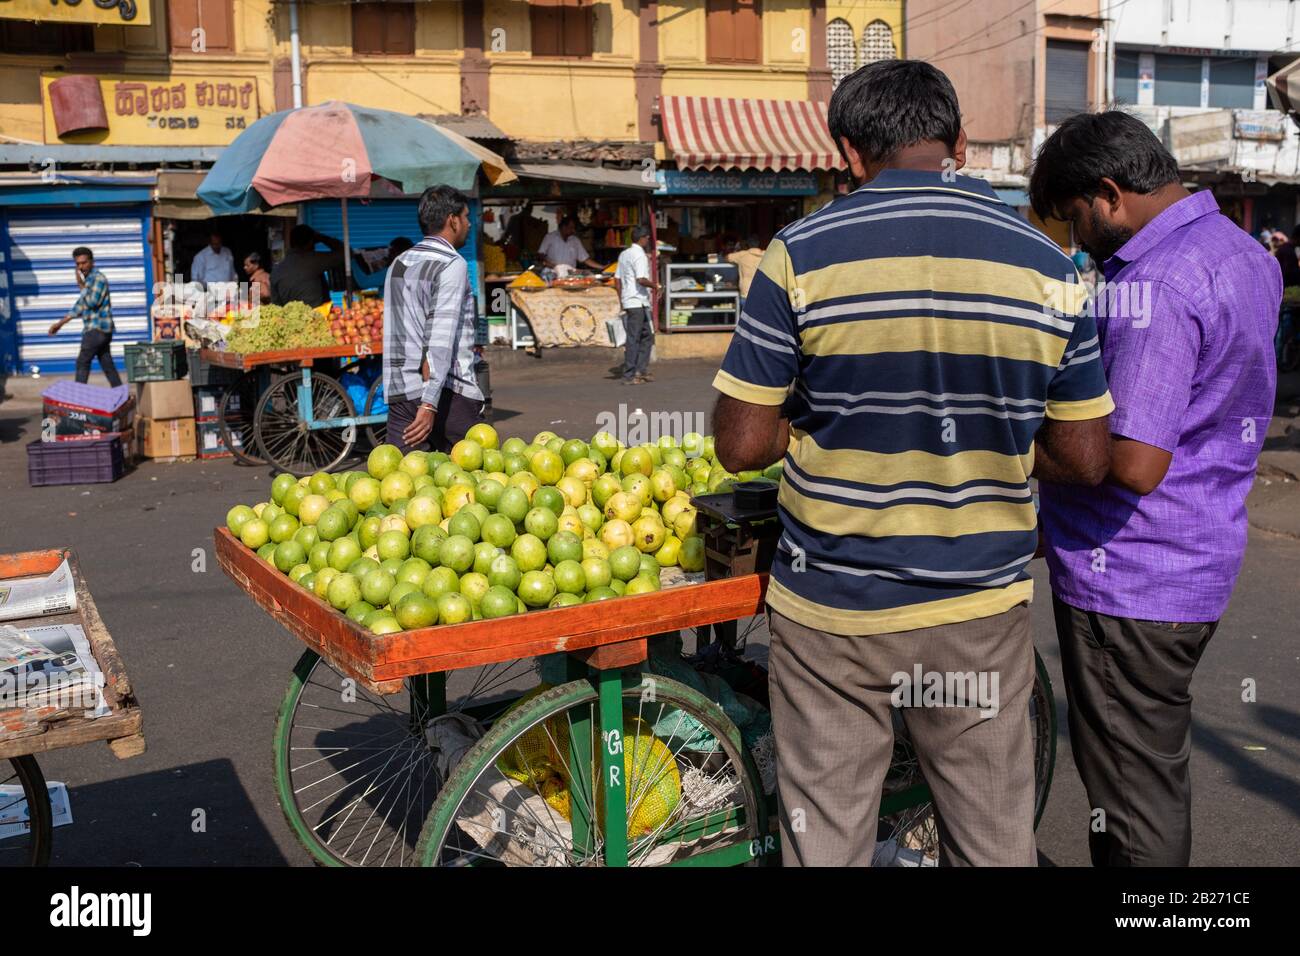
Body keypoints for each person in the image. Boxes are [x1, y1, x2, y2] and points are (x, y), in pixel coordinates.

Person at [710, 59, 1113, 867]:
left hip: (832, 610)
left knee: (826, 838)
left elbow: (742, 445)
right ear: (960, 142)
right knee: (994, 839)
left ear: (851, 154)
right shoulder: (1050, 268)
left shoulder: (800, 253)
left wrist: (820, 424)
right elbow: (1085, 454)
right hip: (976, 609)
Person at [1030, 111, 1280, 867]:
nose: (1076, 243)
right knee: (1149, 779)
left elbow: (1132, 460)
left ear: (1108, 193)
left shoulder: (1157, 281)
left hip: (1131, 578)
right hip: (1195, 556)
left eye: (1074, 221)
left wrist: (1006, 448)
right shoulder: (1239, 251)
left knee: (1132, 801)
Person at [382, 185, 484, 453]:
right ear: (452, 220)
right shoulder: (452, 263)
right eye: (465, 216)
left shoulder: (399, 263)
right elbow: (438, 340)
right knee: (474, 484)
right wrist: (429, 404)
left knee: (404, 486)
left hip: (401, 392)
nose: (469, 224)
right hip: (448, 396)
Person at [47, 247, 122, 387]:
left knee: (83, 361)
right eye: (78, 264)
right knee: (107, 363)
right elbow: (80, 306)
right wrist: (60, 324)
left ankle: (78, 398)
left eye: (84, 263)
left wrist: (81, 285)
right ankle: (121, 395)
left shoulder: (98, 279)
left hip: (97, 329)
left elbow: (92, 302)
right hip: (99, 330)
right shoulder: (89, 281)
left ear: (92, 262)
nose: (81, 267)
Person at [614, 225, 655, 385]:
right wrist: (656, 286)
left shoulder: (624, 254)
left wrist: (622, 300)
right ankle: (630, 374)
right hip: (637, 301)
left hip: (632, 301)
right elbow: (641, 279)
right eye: (647, 237)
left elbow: (617, 280)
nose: (648, 240)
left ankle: (640, 370)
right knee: (635, 338)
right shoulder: (640, 255)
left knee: (646, 336)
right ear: (642, 238)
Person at [271, 224, 345, 306]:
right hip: (314, 315)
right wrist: (322, 238)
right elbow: (346, 253)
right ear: (310, 242)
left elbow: (275, 304)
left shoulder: (275, 272)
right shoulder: (313, 260)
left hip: (292, 316)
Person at [538, 215, 602, 272]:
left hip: (570, 275)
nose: (573, 230)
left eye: (574, 228)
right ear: (564, 227)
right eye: (571, 228)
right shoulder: (550, 237)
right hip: (552, 273)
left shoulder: (575, 240)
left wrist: (602, 267)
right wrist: (551, 265)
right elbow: (541, 254)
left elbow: (585, 259)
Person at [726, 236, 764, 308]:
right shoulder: (765, 255)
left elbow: (727, 257)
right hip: (761, 292)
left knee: (746, 317)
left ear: (747, 245)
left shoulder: (742, 255)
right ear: (759, 244)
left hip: (746, 293)